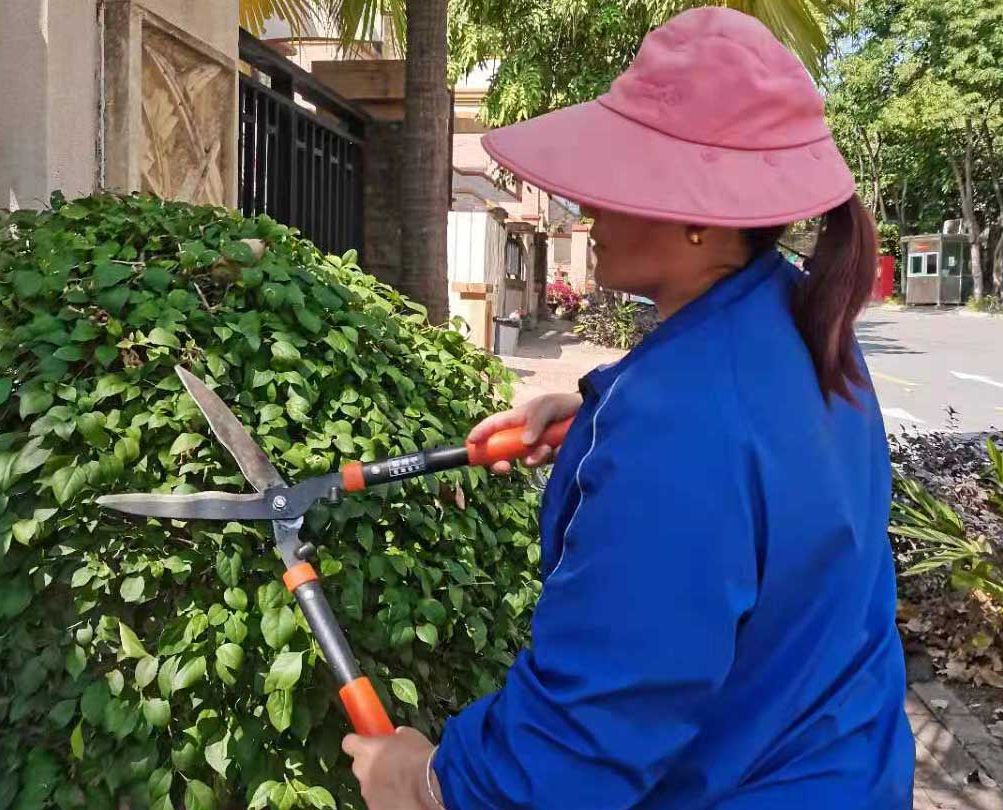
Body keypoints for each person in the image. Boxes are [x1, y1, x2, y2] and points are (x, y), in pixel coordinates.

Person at [342, 8, 915, 808]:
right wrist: (592, 410)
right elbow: (763, 466)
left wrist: (424, 781)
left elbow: (583, 740)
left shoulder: (678, 429)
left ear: (698, 219)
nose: (587, 210)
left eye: (620, 182)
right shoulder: (797, 318)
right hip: (841, 764)